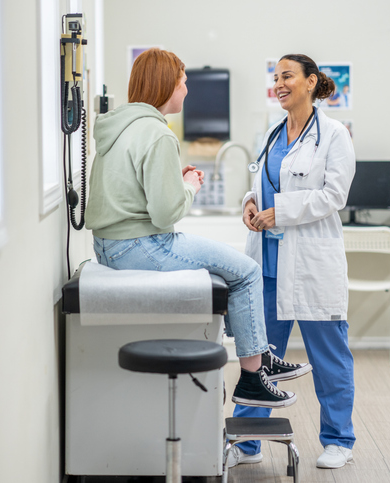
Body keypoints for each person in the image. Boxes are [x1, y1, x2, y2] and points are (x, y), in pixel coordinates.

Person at [85, 48, 312, 409]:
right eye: (183, 82)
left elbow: (121, 191)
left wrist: (173, 181)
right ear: (166, 85)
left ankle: (259, 356)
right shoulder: (158, 134)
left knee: (239, 273)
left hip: (108, 247)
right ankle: (254, 377)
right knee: (247, 273)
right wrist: (189, 187)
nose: (187, 91)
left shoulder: (119, 127)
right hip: (141, 244)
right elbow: (164, 215)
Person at [229, 54, 357, 470]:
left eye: (287, 76)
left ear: (310, 82)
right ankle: (247, 443)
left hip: (311, 265)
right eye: (275, 77)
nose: (279, 84)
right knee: (258, 359)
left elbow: (333, 196)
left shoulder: (334, 134)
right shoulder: (272, 133)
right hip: (267, 265)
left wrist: (279, 213)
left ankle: (338, 440)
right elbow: (260, 184)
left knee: (329, 357)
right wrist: (250, 204)